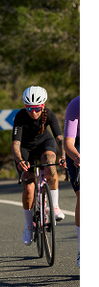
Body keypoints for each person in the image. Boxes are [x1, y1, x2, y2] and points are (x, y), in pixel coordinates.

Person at [12, 85, 66, 246]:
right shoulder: (20, 116)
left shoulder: (49, 114)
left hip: (44, 143)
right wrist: (20, 160)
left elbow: (60, 138)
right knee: (28, 187)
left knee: (50, 163)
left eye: (37, 108)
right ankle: (28, 225)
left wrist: (63, 155)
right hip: (25, 148)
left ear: (43, 106)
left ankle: (55, 206)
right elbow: (15, 144)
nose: (33, 112)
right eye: (29, 108)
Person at [63, 95, 82, 268]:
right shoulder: (76, 104)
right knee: (82, 195)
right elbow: (68, 142)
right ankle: (82, 248)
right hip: (78, 144)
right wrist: (77, 157)